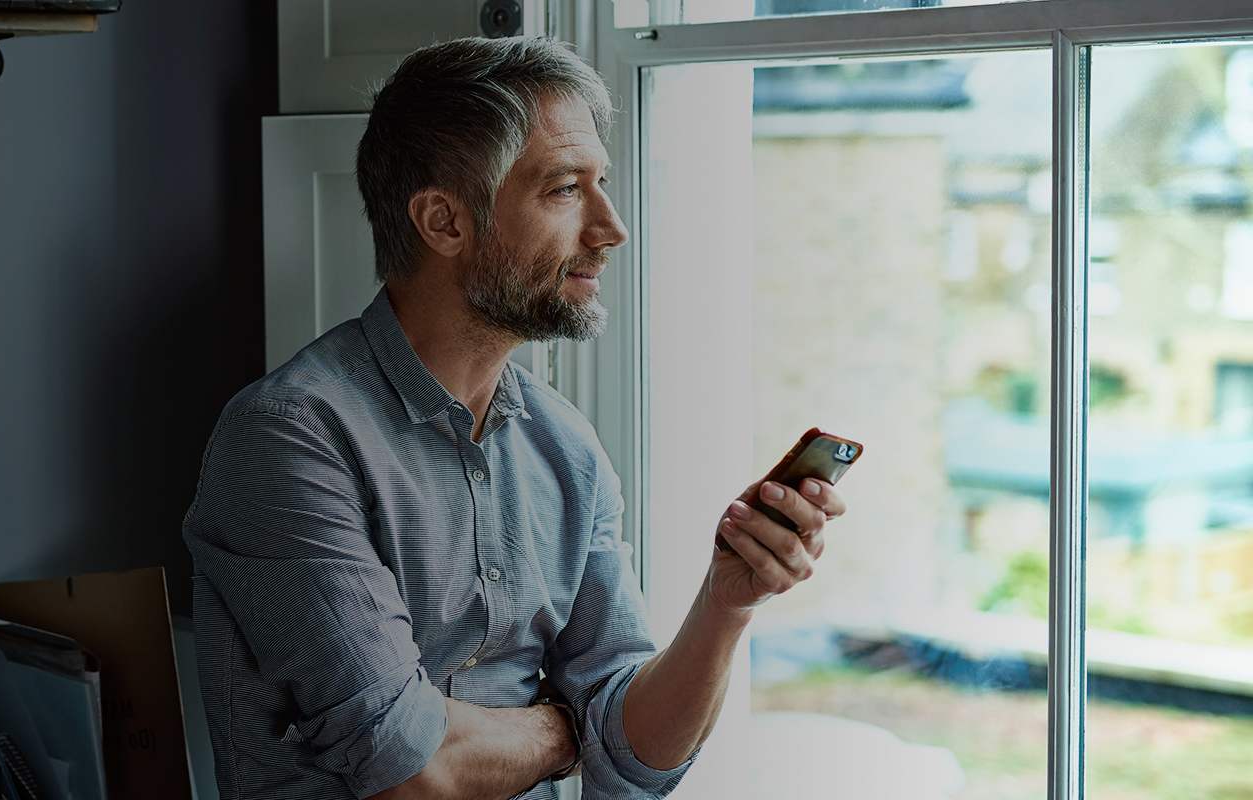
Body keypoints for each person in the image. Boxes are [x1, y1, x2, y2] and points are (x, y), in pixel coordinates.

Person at [182, 35, 849, 800]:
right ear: (444, 222)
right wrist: (569, 731)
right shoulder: (288, 437)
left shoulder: (566, 447)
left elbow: (636, 762)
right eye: (565, 189)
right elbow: (410, 768)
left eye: (601, 183)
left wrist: (727, 603)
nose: (610, 227)